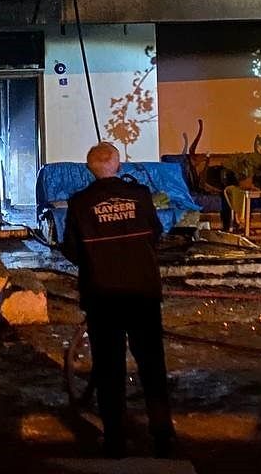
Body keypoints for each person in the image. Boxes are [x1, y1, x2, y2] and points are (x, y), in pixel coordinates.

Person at [60, 141, 176, 459]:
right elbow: (155, 234)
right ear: (118, 164)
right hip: (142, 294)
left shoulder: (79, 203)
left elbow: (71, 249)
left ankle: (115, 440)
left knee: (109, 369)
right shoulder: (139, 195)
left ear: (90, 169)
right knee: (152, 365)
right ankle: (163, 436)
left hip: (103, 297)